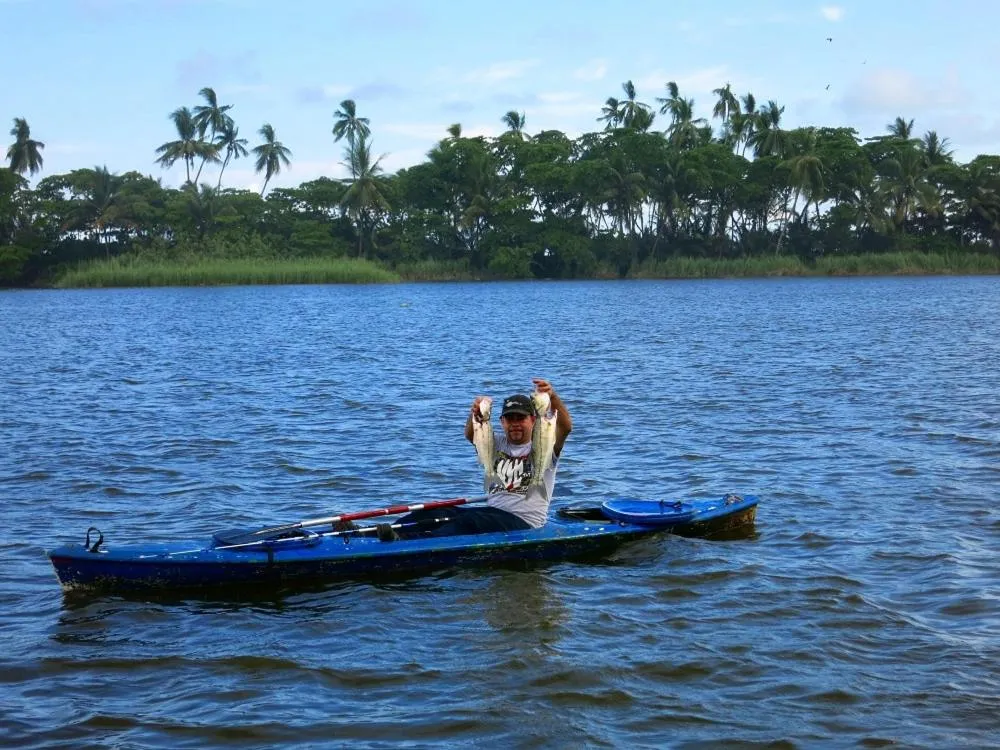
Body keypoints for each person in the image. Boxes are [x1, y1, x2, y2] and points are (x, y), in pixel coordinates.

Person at [377, 378, 572, 541]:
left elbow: (565, 427)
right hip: (494, 513)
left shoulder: (544, 442)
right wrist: (475, 415)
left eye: (520, 419)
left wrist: (553, 397)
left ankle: (407, 541)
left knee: (468, 523)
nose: (515, 424)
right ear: (502, 422)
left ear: (533, 420)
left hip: (525, 521)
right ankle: (374, 533)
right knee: (436, 511)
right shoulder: (496, 443)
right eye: (509, 419)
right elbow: (471, 435)